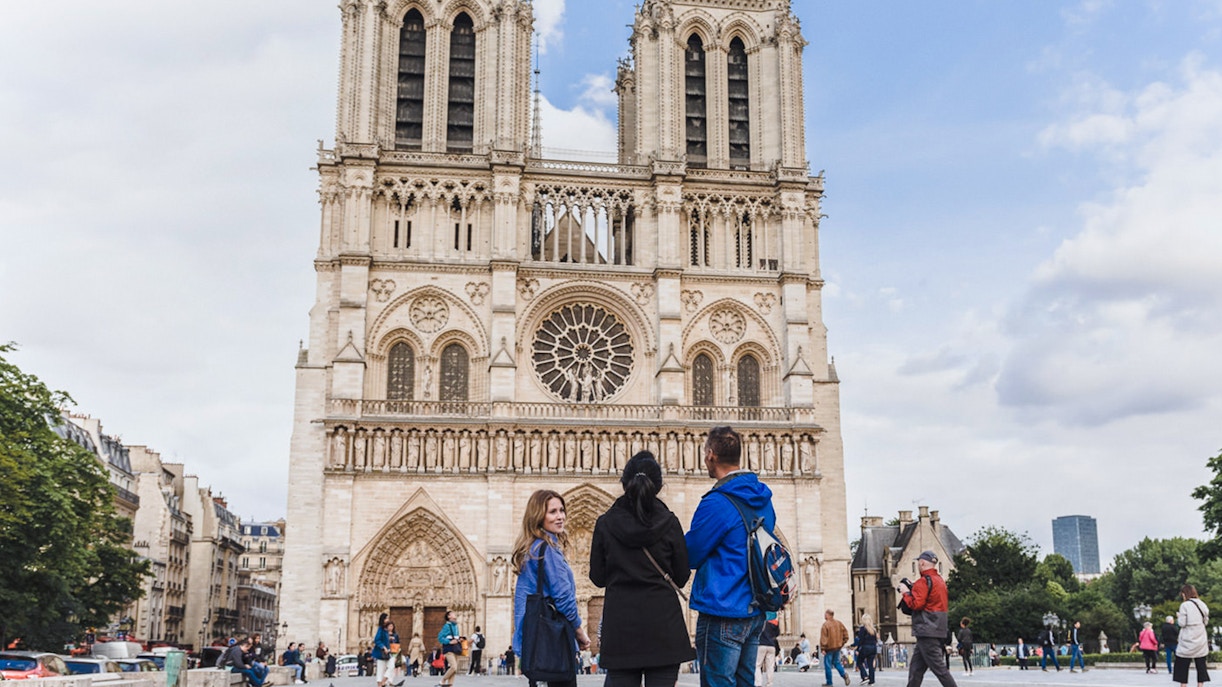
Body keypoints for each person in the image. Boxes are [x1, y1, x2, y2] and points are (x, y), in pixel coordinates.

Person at [589, 450, 695, 687]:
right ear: (658, 485)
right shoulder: (670, 522)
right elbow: (681, 576)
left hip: (621, 630)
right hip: (664, 628)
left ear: (624, 483)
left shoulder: (605, 524)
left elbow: (597, 577)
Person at [685, 426, 778, 687]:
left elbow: (691, 554)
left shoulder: (717, 502)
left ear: (711, 455)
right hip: (754, 611)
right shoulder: (762, 498)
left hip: (723, 610)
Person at [512, 489, 591, 687]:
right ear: (539, 516)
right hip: (554, 642)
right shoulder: (547, 550)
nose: (560, 517)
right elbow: (563, 598)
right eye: (553, 512)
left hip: (536, 641)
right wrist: (579, 630)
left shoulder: (531, 549)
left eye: (562, 510)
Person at [898, 550, 958, 687]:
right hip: (938, 628)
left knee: (939, 669)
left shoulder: (923, 582)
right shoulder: (940, 581)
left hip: (926, 630)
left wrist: (906, 592)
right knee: (916, 670)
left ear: (922, 563)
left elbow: (916, 604)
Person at [1175, 584, 1210, 687]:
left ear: (1184, 594)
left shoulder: (1184, 605)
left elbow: (1182, 623)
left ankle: (1183, 685)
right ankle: (1200, 685)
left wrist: (1179, 617)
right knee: (1201, 665)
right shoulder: (1202, 604)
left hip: (1188, 638)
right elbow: (1206, 621)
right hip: (1200, 637)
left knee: (1182, 665)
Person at [819, 610, 850, 686]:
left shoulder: (825, 625)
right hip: (837, 648)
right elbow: (846, 635)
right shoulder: (839, 623)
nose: (824, 616)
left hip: (829, 648)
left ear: (828, 615)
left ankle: (829, 683)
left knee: (828, 665)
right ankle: (844, 674)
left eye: (825, 614)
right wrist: (841, 643)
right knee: (837, 663)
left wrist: (823, 648)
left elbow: (824, 638)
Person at [852, 613, 878, 686]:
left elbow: (861, 640)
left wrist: (857, 649)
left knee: (859, 662)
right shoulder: (874, 629)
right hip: (873, 648)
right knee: (870, 665)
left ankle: (865, 676)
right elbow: (875, 640)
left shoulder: (863, 629)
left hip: (865, 647)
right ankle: (871, 681)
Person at [438, 611, 461, 687]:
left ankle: (450, 685)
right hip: (448, 649)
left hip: (455, 648)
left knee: (454, 669)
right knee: (453, 666)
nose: (455, 614)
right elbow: (440, 637)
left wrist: (459, 640)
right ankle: (443, 680)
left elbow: (455, 637)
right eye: (453, 613)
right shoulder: (447, 626)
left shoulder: (456, 626)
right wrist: (449, 642)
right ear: (449, 616)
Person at [757, 616, 780, 687]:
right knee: (770, 666)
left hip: (761, 644)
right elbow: (777, 633)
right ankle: (769, 684)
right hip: (771, 645)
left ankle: (758, 683)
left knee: (757, 665)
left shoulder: (760, 619)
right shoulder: (774, 621)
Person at [374, 613, 394, 687]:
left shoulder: (385, 629)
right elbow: (377, 640)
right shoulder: (381, 629)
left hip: (387, 652)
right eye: (386, 618)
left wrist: (389, 638)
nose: (388, 620)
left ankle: (383, 681)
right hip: (381, 652)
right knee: (380, 670)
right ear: (383, 619)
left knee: (391, 666)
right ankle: (380, 684)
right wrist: (384, 647)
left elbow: (382, 639)